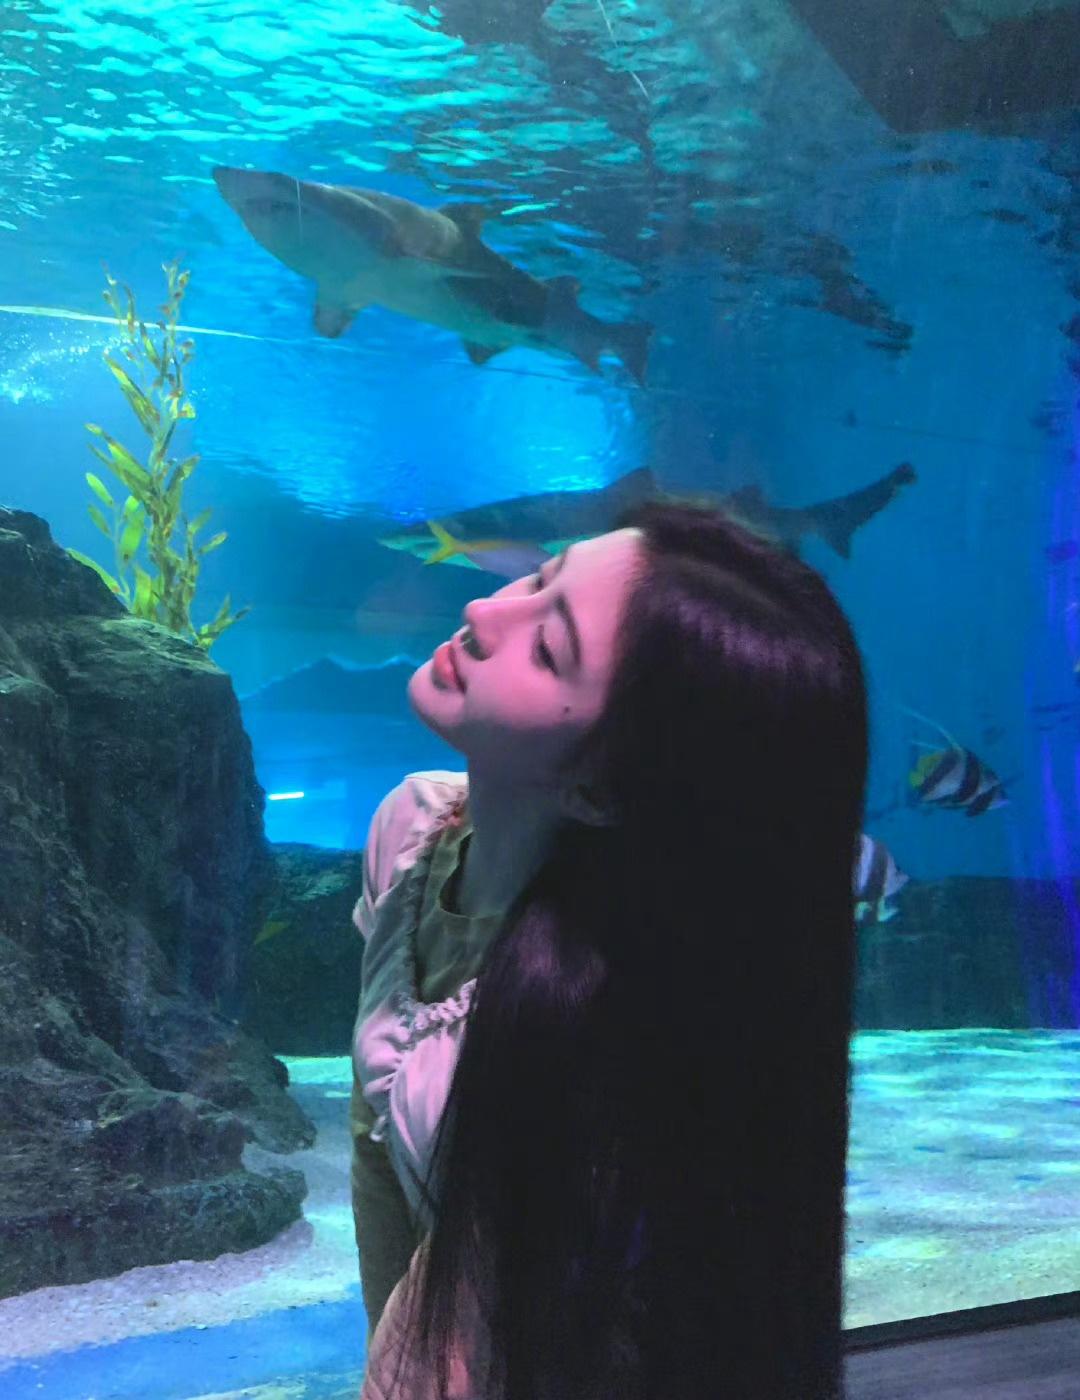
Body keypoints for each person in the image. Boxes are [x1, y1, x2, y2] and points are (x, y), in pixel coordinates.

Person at [349, 496, 868, 1400]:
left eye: (549, 649)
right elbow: (377, 1158)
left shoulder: (609, 1030)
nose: (484, 611)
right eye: (537, 580)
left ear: (601, 789)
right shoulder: (410, 831)